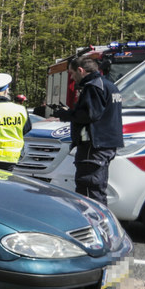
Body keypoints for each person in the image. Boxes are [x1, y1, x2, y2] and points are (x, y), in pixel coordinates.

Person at [52, 55, 124, 203]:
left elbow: (89, 115)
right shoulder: (109, 85)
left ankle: (93, 223)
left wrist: (66, 114)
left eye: (72, 73)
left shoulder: (93, 87)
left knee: (89, 191)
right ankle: (100, 220)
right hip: (107, 143)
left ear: (81, 70)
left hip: (93, 146)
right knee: (97, 188)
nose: (72, 78)